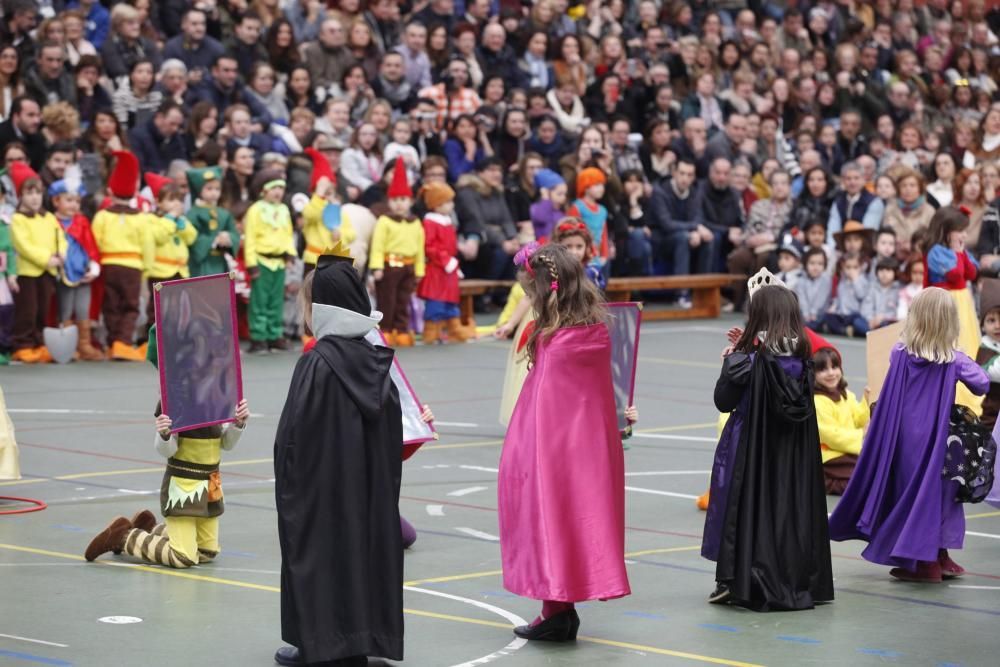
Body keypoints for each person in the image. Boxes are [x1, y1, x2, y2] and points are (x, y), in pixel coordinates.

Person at [274, 244, 403, 667]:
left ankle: (324, 641)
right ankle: (361, 637)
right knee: (365, 551)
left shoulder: (318, 366)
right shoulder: (378, 364)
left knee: (321, 553)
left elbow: (292, 443)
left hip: (324, 497)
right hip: (368, 496)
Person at [498, 242, 630, 641]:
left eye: (529, 294)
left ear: (545, 292)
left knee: (549, 520)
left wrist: (524, 455)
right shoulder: (592, 333)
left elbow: (544, 410)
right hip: (587, 451)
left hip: (552, 451)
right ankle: (558, 610)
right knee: (570, 520)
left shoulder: (559, 344)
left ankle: (555, 611)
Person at [829, 287, 989, 583]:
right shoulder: (953, 360)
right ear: (949, 323)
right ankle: (932, 560)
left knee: (910, 497)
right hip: (938, 442)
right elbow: (982, 384)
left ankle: (933, 559)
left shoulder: (900, 352)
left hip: (901, 441)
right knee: (939, 495)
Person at [702, 271, 833, 610]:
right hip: (792, 460)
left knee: (744, 516)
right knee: (786, 516)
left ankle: (739, 579)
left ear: (757, 316)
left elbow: (723, 401)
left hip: (752, 454)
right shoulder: (803, 364)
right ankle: (791, 577)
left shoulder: (745, 364)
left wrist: (731, 358)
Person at [85, 389, 250, 567]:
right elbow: (167, 450)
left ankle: (150, 529)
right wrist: (165, 433)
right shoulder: (177, 401)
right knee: (183, 557)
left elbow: (226, 443)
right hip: (183, 488)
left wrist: (237, 424)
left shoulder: (217, 397)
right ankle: (123, 536)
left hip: (210, 485)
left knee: (206, 551)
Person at [91, 151, 152, 362]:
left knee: (111, 305)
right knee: (130, 306)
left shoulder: (102, 216)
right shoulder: (142, 219)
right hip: (132, 267)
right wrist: (148, 267)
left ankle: (112, 342)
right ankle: (123, 343)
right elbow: (148, 245)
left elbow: (95, 243)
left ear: (110, 190)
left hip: (108, 265)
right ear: (134, 192)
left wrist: (96, 265)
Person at [924, 206, 982, 413]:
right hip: (945, 301)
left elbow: (972, 274)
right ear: (947, 231)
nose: (964, 235)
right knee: (950, 342)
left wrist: (962, 254)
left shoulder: (961, 251)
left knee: (967, 340)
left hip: (963, 301)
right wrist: (958, 255)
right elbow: (956, 276)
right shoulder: (936, 252)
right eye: (961, 230)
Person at [9, 162, 67, 364]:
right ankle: (22, 344)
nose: (34, 197)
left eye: (38, 192)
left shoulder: (49, 217)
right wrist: (47, 258)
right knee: (28, 310)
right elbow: (24, 246)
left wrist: (61, 253)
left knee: (44, 309)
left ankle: (39, 343)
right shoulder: (17, 219)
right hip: (28, 273)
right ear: (20, 195)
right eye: (29, 192)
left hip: (47, 272)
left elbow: (60, 236)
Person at [369, 158, 424, 347]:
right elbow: (378, 245)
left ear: (410, 201)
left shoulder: (415, 222)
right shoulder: (384, 221)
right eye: (395, 200)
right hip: (389, 266)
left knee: (403, 301)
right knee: (387, 301)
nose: (399, 204)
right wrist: (376, 267)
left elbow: (420, 249)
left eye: (403, 199)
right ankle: (385, 330)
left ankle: (401, 330)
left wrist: (419, 270)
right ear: (389, 201)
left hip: (408, 267)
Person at [49, 171, 102, 361]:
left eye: (77, 201)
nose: (74, 205)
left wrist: (93, 265)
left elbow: (90, 245)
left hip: (82, 272)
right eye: (69, 200)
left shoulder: (82, 221)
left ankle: (84, 345)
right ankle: (67, 346)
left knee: (83, 309)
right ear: (56, 201)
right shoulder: (50, 222)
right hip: (64, 273)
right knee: (65, 309)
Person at [244, 169, 297, 354]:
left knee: (276, 301)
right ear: (263, 190)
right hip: (262, 261)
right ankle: (258, 337)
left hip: (279, 262)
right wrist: (251, 264)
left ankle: (275, 334)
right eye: (273, 187)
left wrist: (290, 254)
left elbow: (288, 235)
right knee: (259, 301)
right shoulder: (255, 210)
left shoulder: (283, 209)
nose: (278, 192)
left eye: (281, 188)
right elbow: (250, 238)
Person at [143, 177, 197, 342]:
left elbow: (191, 237)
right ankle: (155, 339)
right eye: (171, 200)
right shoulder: (152, 220)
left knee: (179, 308)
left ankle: (175, 337)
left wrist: (181, 222)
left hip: (179, 271)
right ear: (158, 202)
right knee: (159, 308)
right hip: (160, 272)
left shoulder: (180, 220)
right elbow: (158, 236)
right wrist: (170, 219)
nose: (176, 204)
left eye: (179, 200)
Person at [814, 343, 869, 495]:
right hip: (830, 455)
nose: (831, 373)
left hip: (846, 451)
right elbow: (830, 435)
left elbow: (858, 419)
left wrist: (866, 400)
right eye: (823, 369)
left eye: (834, 367)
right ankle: (824, 481)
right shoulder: (817, 401)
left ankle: (827, 481)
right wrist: (861, 435)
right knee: (861, 480)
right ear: (813, 374)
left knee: (868, 472)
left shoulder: (845, 394)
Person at [416, 181, 466, 344]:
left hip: (449, 268)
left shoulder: (448, 222)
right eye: (447, 202)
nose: (451, 205)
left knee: (451, 302)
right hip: (438, 269)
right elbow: (429, 246)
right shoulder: (430, 222)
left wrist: (453, 264)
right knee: (435, 302)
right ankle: (431, 332)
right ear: (436, 204)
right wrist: (445, 260)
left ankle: (454, 329)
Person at [186, 166, 240, 278]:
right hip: (202, 262)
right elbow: (191, 237)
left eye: (217, 189)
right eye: (209, 188)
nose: (214, 193)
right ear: (199, 189)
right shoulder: (193, 214)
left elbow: (234, 232)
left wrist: (228, 237)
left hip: (220, 261)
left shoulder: (224, 213)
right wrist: (214, 240)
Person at [567, 167, 610, 278]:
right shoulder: (577, 207)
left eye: (602, 184)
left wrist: (605, 254)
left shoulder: (602, 210)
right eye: (596, 185)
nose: (601, 188)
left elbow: (603, 233)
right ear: (585, 187)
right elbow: (571, 233)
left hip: (598, 256)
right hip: (582, 255)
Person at [823, 253, 870, 337]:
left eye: (855, 267)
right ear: (843, 268)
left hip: (854, 314)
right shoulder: (842, 281)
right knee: (828, 317)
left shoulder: (862, 280)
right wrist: (833, 307)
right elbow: (839, 298)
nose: (851, 270)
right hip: (842, 314)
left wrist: (855, 280)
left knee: (857, 321)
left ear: (860, 268)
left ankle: (847, 329)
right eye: (848, 267)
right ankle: (843, 330)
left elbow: (861, 295)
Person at [976, 279, 1000, 429]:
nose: (998, 326)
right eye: (991, 320)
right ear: (983, 325)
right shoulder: (985, 349)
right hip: (993, 417)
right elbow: (995, 371)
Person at [795, 247, 833, 330]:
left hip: (820, 313)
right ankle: (805, 327)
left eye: (820, 264)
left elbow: (821, 298)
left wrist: (813, 313)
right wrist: (806, 314)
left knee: (826, 318)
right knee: (798, 316)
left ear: (825, 265)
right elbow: (802, 299)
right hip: (805, 315)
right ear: (805, 264)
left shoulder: (826, 279)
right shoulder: (801, 280)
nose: (816, 267)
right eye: (812, 263)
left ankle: (809, 327)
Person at [862, 257, 900, 331]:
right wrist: (872, 319)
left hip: (888, 322)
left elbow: (898, 311)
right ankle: (871, 332)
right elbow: (865, 308)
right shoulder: (872, 287)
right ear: (876, 272)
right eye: (881, 270)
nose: (884, 273)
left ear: (895, 272)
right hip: (871, 322)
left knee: (887, 325)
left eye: (888, 270)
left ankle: (871, 332)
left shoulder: (898, 289)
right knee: (856, 320)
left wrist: (883, 318)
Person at [529, 169, 567, 243]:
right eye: (559, 194)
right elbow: (541, 218)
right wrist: (545, 199)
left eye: (565, 194)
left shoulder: (560, 212)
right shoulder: (536, 208)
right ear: (545, 192)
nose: (564, 197)